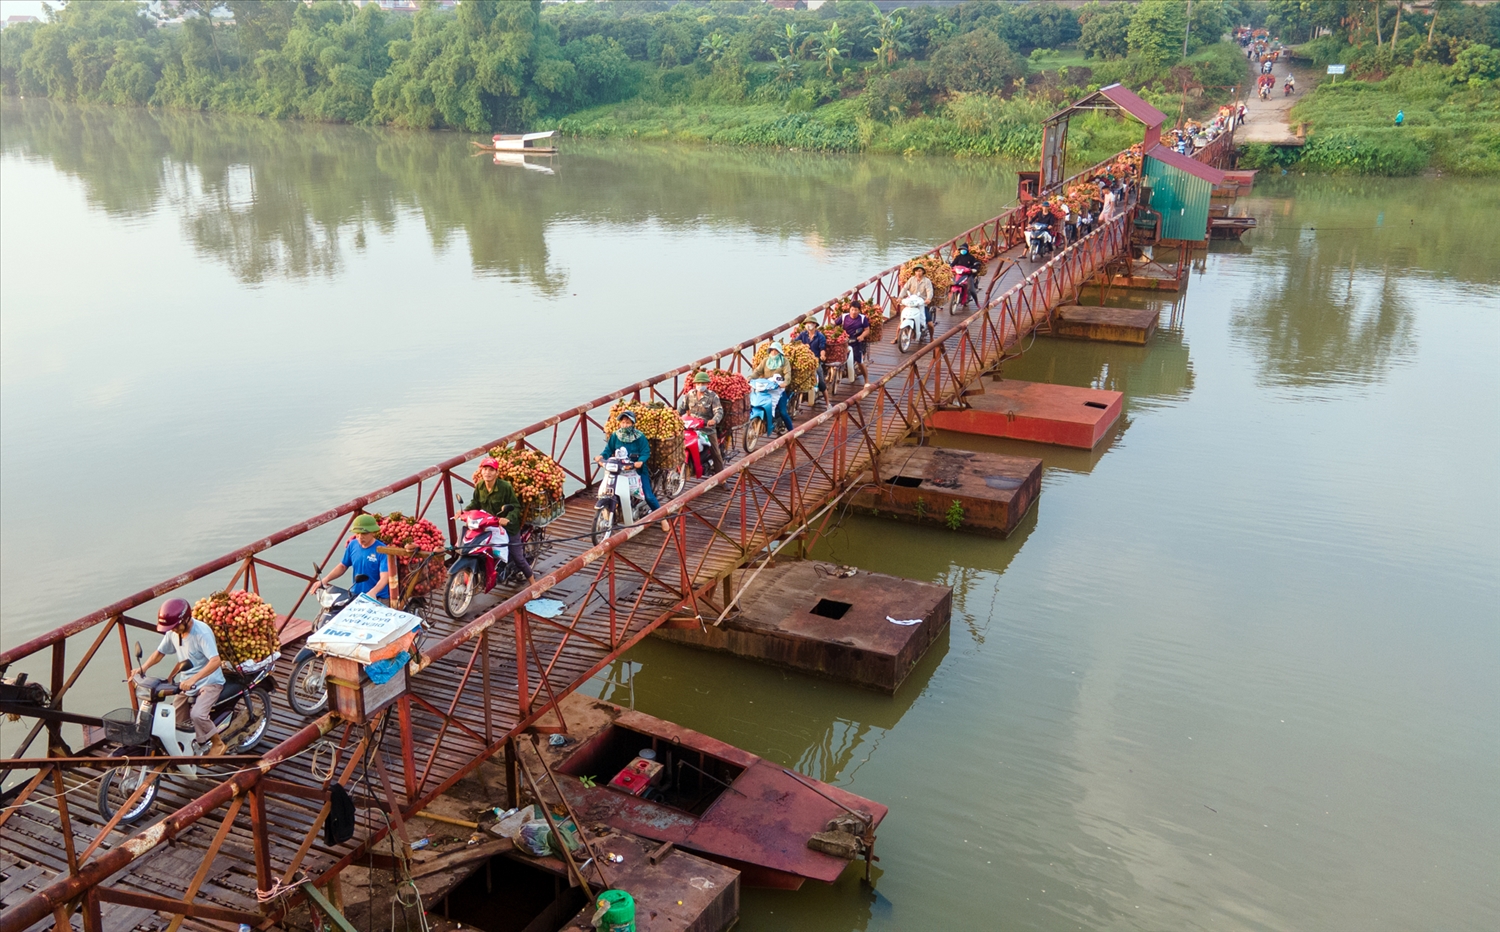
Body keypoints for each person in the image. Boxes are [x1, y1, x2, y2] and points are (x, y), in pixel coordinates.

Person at [134, 598, 227, 756]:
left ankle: (218, 744)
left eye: (175, 626)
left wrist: (194, 679)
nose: (173, 630)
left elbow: (215, 661)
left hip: (209, 682)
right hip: (186, 683)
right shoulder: (173, 632)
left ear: (186, 619)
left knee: (197, 714)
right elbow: (160, 652)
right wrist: (142, 668)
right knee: (171, 719)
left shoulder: (201, 633)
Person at [466, 456, 535, 584]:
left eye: (491, 470)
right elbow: (475, 503)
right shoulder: (480, 486)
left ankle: (534, 584)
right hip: (489, 525)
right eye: (485, 469)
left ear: (497, 473)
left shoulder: (505, 487)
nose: (487, 472)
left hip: (507, 527)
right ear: (481, 471)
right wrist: (464, 512)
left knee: (518, 557)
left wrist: (507, 519)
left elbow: (515, 507)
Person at [596, 410, 666, 528]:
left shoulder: (639, 437)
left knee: (648, 496)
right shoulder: (615, 435)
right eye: (623, 422)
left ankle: (663, 518)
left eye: (628, 423)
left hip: (637, 471)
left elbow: (645, 452)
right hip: (620, 470)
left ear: (633, 423)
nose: (625, 425)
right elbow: (608, 449)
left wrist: (640, 461)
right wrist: (602, 457)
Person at [317, 513, 392, 601]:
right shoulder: (353, 544)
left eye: (364, 533)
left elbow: (385, 577)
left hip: (378, 596)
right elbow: (343, 566)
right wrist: (325, 579)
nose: (360, 537)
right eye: (357, 533)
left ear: (373, 532)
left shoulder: (382, 550)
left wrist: (373, 592)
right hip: (357, 594)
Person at [677, 372, 725, 472]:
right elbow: (682, 408)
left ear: (707, 384)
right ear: (695, 384)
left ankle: (722, 478)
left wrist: (714, 420)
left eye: (703, 383)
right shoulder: (690, 395)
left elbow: (719, 411)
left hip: (707, 429)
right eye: (698, 383)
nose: (700, 386)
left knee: (716, 453)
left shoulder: (713, 396)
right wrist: (675, 416)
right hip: (691, 429)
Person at [750, 342, 795, 434]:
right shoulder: (766, 361)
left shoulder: (784, 361)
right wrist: (750, 378)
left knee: (783, 412)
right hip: (766, 388)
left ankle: (792, 432)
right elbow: (757, 372)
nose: (774, 352)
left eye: (776, 350)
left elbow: (787, 374)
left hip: (778, 389)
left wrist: (785, 383)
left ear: (779, 352)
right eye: (772, 350)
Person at [793, 319, 828, 405]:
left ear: (815, 325)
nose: (808, 326)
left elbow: (822, 349)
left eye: (810, 324)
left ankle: (828, 403)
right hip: (803, 360)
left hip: (815, 361)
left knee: (821, 382)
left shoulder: (820, 336)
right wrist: (802, 346)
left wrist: (822, 355)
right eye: (807, 324)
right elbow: (795, 343)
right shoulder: (803, 334)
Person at [840, 299, 871, 385]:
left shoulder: (862, 318)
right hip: (845, 342)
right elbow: (834, 325)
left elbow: (867, 330)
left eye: (856, 310)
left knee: (860, 361)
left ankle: (867, 380)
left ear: (859, 310)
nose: (853, 312)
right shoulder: (844, 317)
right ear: (849, 309)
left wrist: (862, 336)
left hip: (856, 343)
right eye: (852, 310)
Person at [898, 265, 934, 335]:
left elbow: (930, 291)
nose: (918, 273)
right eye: (917, 271)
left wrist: (928, 299)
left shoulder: (927, 281)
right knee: (901, 323)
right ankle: (897, 337)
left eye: (920, 271)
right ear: (915, 272)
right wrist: (900, 297)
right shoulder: (911, 279)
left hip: (921, 304)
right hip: (912, 303)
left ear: (923, 272)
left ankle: (931, 338)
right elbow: (905, 288)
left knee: (930, 324)